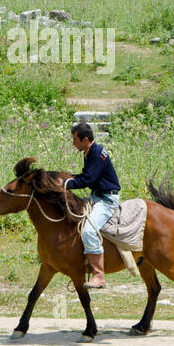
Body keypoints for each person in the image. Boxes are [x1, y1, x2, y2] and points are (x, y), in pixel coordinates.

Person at [64, 122, 121, 289]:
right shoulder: (89, 151)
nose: (73, 143)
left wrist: (66, 184)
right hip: (96, 196)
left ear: (85, 139)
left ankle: (99, 275)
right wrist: (66, 177)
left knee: (88, 230)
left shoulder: (96, 154)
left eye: (75, 140)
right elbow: (85, 175)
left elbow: (87, 180)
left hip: (106, 200)